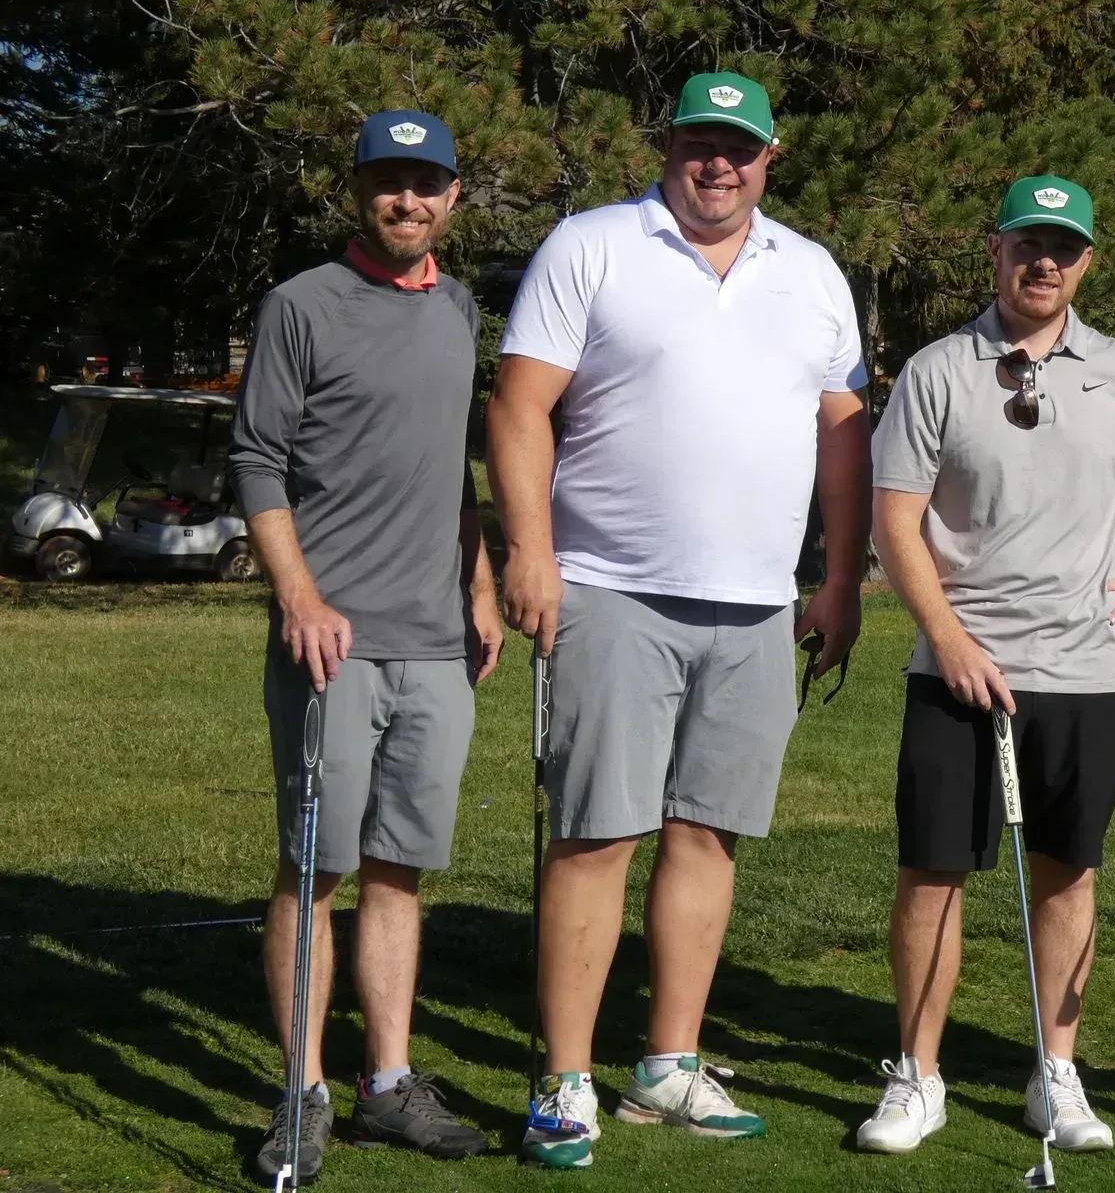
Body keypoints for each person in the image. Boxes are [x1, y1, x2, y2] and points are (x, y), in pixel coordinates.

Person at [489, 72, 871, 1167]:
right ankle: (564, 1080)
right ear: (670, 146)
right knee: (598, 832)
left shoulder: (813, 274)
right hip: (610, 589)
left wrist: (840, 581)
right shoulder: (595, 244)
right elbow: (519, 403)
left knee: (708, 833)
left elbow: (843, 434)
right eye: (701, 143)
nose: (720, 163)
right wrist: (531, 550)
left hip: (755, 608)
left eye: (739, 148)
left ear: (770, 157)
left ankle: (668, 1064)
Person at [857, 175, 1115, 1156]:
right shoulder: (938, 371)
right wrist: (952, 639)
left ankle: (1056, 1072)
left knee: (1068, 876)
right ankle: (917, 1077)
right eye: (1027, 245)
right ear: (996, 252)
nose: (1043, 262)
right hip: (957, 670)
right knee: (932, 875)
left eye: (1063, 247)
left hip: (1088, 671)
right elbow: (895, 520)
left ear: (1087, 260)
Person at [229, 110, 502, 1184]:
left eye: (426, 183)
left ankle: (390, 1085)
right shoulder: (301, 305)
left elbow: (455, 470)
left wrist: (478, 585)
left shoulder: (460, 311)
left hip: (437, 644)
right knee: (315, 868)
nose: (408, 200)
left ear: (453, 196)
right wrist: (298, 595)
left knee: (401, 868)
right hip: (330, 644)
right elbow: (257, 461)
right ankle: (304, 1093)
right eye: (389, 182)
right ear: (359, 192)